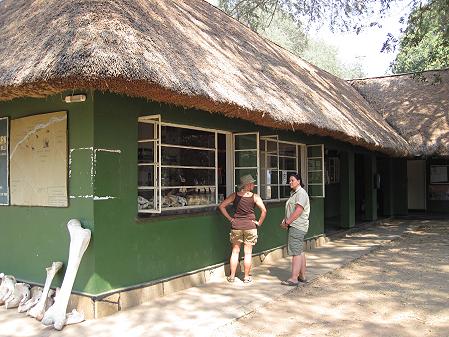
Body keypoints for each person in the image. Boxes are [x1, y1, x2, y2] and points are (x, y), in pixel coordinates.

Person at [218, 174, 267, 283]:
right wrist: (259, 223)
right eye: (252, 183)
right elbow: (264, 211)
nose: (254, 184)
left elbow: (221, 206)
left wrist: (231, 219)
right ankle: (246, 277)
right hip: (250, 226)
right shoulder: (255, 197)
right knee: (248, 253)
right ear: (248, 185)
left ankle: (231, 277)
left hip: (236, 226)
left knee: (235, 252)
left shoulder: (234, 195)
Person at [280, 173, 310, 286]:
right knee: (299, 251)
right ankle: (302, 276)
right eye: (289, 180)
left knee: (295, 252)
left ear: (298, 181)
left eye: (292, 180)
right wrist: (286, 220)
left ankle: (294, 278)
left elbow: (298, 210)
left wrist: (288, 222)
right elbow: (292, 210)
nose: (290, 182)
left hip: (297, 226)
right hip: (296, 225)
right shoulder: (294, 194)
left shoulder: (301, 193)